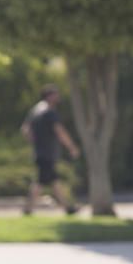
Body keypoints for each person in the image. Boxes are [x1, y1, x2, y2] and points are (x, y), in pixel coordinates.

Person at [20, 84, 80, 215]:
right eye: (56, 94)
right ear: (49, 96)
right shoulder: (49, 111)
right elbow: (60, 131)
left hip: (40, 151)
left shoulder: (35, 110)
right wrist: (72, 147)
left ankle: (67, 207)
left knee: (52, 181)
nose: (58, 97)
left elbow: (25, 130)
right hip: (47, 152)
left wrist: (36, 142)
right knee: (42, 182)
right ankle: (28, 209)